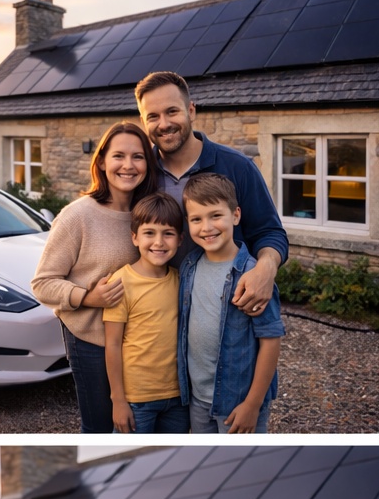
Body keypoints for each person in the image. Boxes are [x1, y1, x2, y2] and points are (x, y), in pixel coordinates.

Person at [31, 121, 161, 433]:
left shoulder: (147, 214)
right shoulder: (78, 215)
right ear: (101, 162)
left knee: (137, 426)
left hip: (138, 340)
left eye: (138, 157)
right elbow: (42, 283)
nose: (128, 166)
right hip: (91, 340)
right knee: (101, 427)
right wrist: (88, 297)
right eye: (119, 156)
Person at [134, 71, 285, 316]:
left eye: (172, 111)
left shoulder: (237, 166)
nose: (164, 124)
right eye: (153, 116)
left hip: (224, 307)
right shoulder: (140, 173)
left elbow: (269, 232)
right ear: (143, 122)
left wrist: (266, 269)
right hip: (154, 310)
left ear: (191, 111)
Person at [178, 173, 284, 434]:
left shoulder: (253, 276)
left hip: (238, 402)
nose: (207, 227)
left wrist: (253, 404)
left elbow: (270, 340)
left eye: (216, 216)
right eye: (196, 219)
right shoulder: (189, 266)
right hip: (198, 399)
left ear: (235, 215)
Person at [103, 192, 188, 434]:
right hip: (136, 399)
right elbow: (112, 344)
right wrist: (118, 401)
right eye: (149, 233)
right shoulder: (121, 282)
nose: (159, 242)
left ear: (180, 239)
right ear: (135, 237)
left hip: (178, 397)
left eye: (168, 233)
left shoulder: (181, 280)